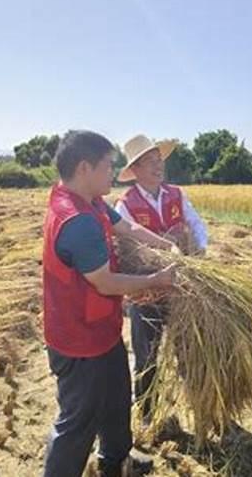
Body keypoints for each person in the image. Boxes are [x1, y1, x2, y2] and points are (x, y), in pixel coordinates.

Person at [42, 130, 179, 477]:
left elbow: (128, 228)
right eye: (108, 167)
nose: (112, 174)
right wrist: (155, 280)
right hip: (78, 340)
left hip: (101, 329)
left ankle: (115, 460)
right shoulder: (77, 221)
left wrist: (165, 246)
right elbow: (105, 281)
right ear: (85, 167)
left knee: (117, 401)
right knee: (78, 423)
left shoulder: (91, 201)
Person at [114, 134, 208, 417]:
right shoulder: (125, 204)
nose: (158, 167)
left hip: (181, 289)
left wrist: (201, 250)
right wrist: (164, 250)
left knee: (189, 350)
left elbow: (196, 224)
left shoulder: (176, 194)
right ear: (135, 170)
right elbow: (129, 246)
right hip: (146, 292)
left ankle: (200, 405)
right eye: (150, 162)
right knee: (146, 355)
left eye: (159, 161)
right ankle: (146, 410)